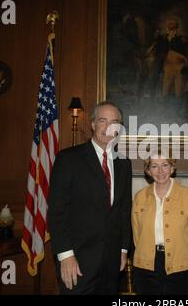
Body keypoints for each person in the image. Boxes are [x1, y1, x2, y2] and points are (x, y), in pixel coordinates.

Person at [47, 101, 132, 294]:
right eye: (103, 120)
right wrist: (65, 255)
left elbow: (124, 210)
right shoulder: (68, 159)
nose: (109, 127)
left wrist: (123, 250)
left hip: (112, 262)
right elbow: (57, 211)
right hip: (77, 261)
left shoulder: (124, 163)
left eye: (115, 122)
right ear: (93, 124)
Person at [131, 152, 188, 295]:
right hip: (146, 264)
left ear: (172, 168)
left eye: (165, 165)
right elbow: (136, 234)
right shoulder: (140, 197)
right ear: (148, 171)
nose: (160, 171)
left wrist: (187, 259)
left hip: (179, 264)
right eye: (154, 166)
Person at [157, 19, 188, 97]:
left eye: (173, 28)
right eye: (170, 27)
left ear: (176, 28)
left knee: (179, 90)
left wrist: (184, 60)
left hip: (179, 65)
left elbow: (187, 52)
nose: (172, 30)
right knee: (166, 89)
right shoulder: (164, 38)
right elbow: (160, 51)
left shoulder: (182, 39)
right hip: (167, 65)